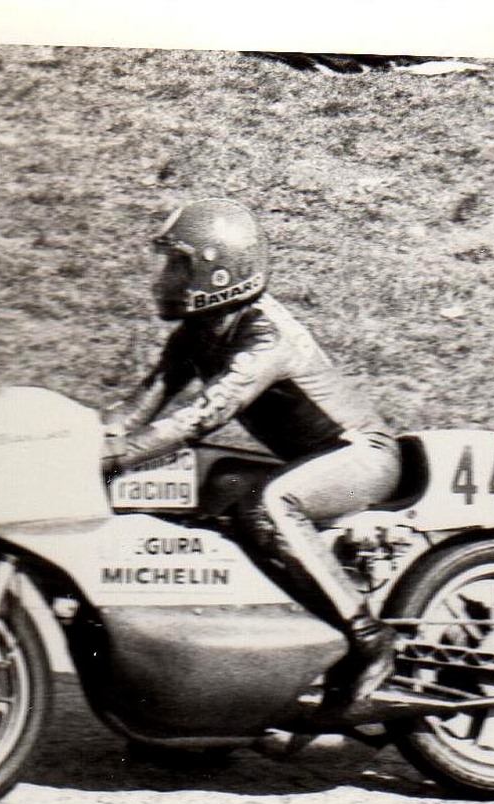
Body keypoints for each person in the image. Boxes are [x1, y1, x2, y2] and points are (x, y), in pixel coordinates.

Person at [103, 197, 402, 711]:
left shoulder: (266, 338)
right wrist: (81, 442)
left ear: (218, 273)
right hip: (308, 462)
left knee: (269, 507)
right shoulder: (198, 333)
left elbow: (199, 417)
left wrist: (117, 456)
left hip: (362, 457)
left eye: (179, 263)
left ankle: (369, 640)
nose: (166, 277)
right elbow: (138, 406)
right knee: (209, 493)